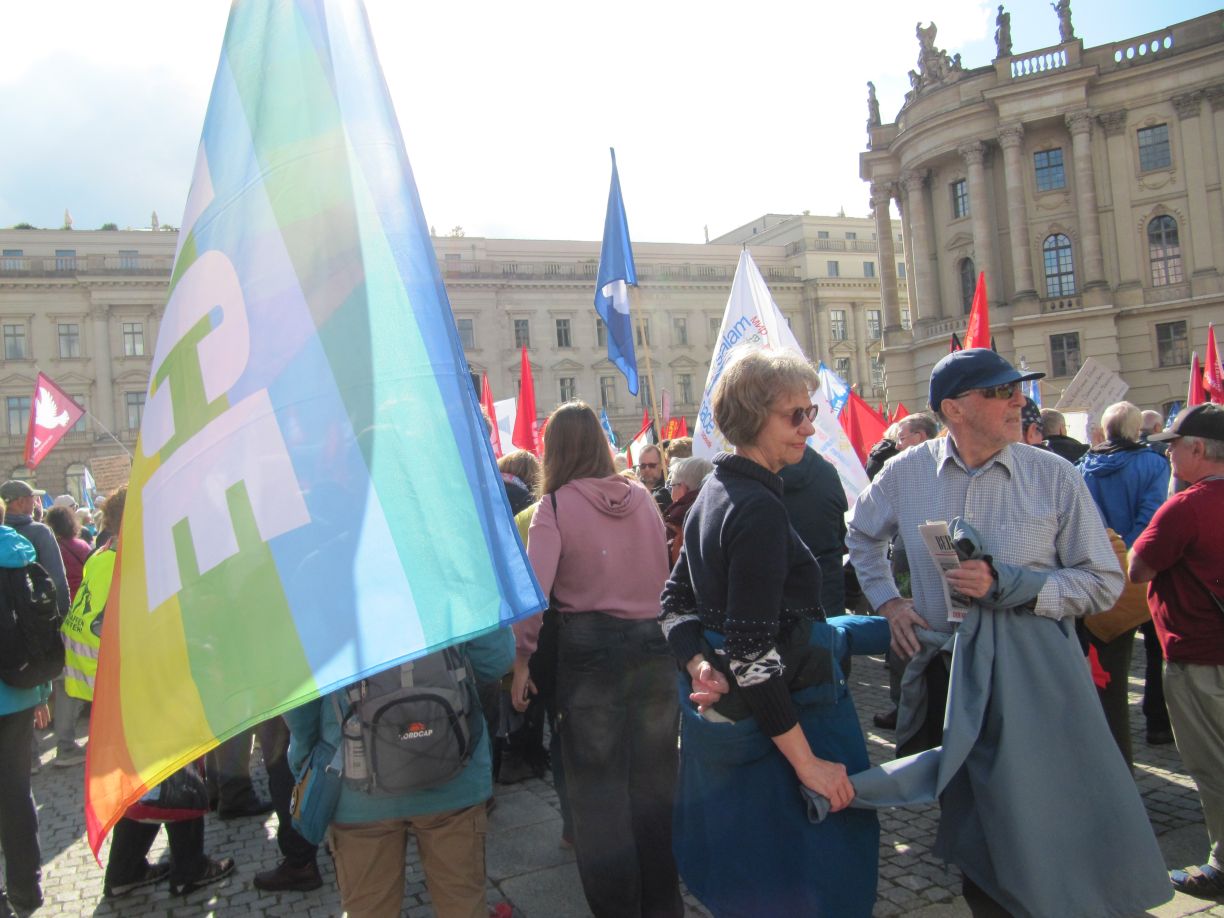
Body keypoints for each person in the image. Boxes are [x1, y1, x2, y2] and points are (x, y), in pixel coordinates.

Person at [845, 348, 1168, 917]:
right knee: (974, 826)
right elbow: (860, 536)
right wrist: (891, 603)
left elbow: (1101, 583)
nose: (1020, 401)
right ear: (954, 409)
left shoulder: (1055, 475)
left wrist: (1014, 585)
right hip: (949, 674)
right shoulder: (906, 471)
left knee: (1041, 820)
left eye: (1018, 390)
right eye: (1002, 392)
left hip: (1032, 676)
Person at [660, 347, 878, 918]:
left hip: (749, 722)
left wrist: (698, 662)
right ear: (755, 418)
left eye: (811, 412)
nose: (809, 426)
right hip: (783, 724)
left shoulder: (715, 488)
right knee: (809, 884)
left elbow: (675, 603)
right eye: (795, 415)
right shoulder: (752, 504)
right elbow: (751, 650)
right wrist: (808, 763)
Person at [515, 401, 682, 917]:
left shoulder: (556, 507)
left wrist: (522, 660)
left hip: (590, 654)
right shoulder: (643, 498)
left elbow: (533, 598)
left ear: (555, 451)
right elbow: (664, 575)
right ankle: (663, 907)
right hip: (652, 647)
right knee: (654, 791)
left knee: (599, 801)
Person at [285, 626, 511, 917]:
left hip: (357, 785)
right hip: (455, 771)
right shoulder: (451, 590)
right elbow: (495, 659)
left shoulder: (319, 600)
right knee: (462, 906)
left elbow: (298, 698)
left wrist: (306, 760)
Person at [88, 488, 234, 900]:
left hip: (129, 691)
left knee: (148, 784)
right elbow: (167, 624)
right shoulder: (144, 563)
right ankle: (189, 868)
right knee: (180, 776)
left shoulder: (105, 558)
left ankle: (125, 871)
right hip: (160, 686)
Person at [1129, 403, 1224, 899]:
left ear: (1199, 449)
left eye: (1174, 445)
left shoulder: (1186, 506)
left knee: (1214, 765)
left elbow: (1138, 568)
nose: (1167, 454)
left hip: (1202, 658)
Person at [1078, 401, 1171, 761]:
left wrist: (1109, 555)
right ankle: (1157, 725)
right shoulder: (1153, 464)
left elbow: (1086, 523)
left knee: (1109, 674)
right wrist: (1127, 557)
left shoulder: (1082, 467)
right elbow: (1152, 519)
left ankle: (1110, 755)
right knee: (1156, 654)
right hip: (1142, 574)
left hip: (1099, 574)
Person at [0, 481, 77, 771]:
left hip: (9, 634)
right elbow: (57, 580)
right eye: (31, 498)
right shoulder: (38, 533)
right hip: (36, 627)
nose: (35, 503)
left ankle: (29, 756)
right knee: (52, 680)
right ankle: (61, 745)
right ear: (18, 502)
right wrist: (61, 619)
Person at [0, 497, 50, 916]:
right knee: (16, 791)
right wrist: (41, 691)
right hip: (17, 690)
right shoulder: (17, 551)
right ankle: (26, 890)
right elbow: (39, 624)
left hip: (14, 692)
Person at [780, 446, 847, 618]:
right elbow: (841, 534)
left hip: (775, 601)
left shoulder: (752, 481)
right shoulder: (827, 471)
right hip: (826, 593)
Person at [663, 456, 712, 566]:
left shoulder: (674, 526)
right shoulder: (718, 514)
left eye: (672, 487)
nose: (670, 494)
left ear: (683, 488)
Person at [635, 443, 672, 512]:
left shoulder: (671, 486)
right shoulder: (634, 490)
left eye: (652, 465)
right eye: (643, 466)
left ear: (662, 464)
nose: (647, 469)